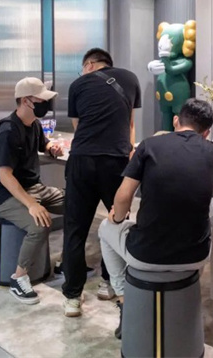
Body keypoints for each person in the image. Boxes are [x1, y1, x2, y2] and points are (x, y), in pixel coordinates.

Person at [99, 99, 213, 339]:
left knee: (105, 229)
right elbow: (212, 181)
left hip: (146, 254)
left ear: (176, 121)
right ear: (207, 132)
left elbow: (123, 196)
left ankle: (124, 300)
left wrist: (117, 220)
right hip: (195, 256)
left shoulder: (149, 146)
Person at [62, 48, 141, 317]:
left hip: (82, 160)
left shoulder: (77, 85)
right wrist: (127, 152)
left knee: (75, 228)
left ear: (90, 65)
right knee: (116, 223)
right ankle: (109, 283)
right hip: (116, 161)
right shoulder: (130, 78)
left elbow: (78, 127)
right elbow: (130, 123)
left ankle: (73, 297)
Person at [0, 77, 65, 304]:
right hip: (6, 196)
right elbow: (5, 176)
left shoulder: (33, 124)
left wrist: (51, 147)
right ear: (25, 101)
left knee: (77, 204)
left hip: (36, 188)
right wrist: (31, 204)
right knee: (39, 225)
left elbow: (43, 143)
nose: (45, 105)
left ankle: (67, 261)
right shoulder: (7, 131)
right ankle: (19, 278)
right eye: (41, 100)